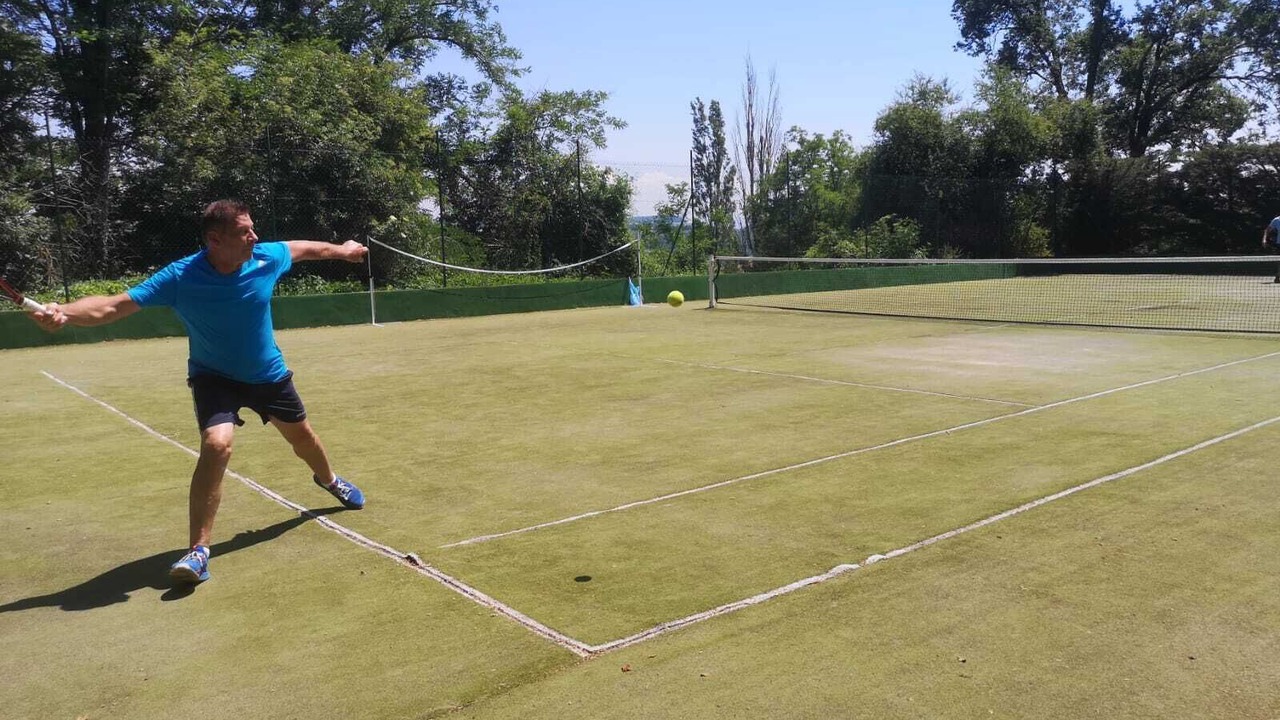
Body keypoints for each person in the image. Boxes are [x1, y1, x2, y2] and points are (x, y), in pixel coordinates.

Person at [29, 199, 368, 585]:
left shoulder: (266, 257)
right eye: (244, 232)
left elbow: (306, 248)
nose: (254, 237)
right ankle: (198, 551)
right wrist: (64, 312)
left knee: (303, 438)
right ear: (215, 240)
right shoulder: (181, 276)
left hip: (267, 375)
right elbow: (112, 307)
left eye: (252, 228)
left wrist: (344, 251)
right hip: (213, 378)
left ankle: (329, 480)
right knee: (216, 445)